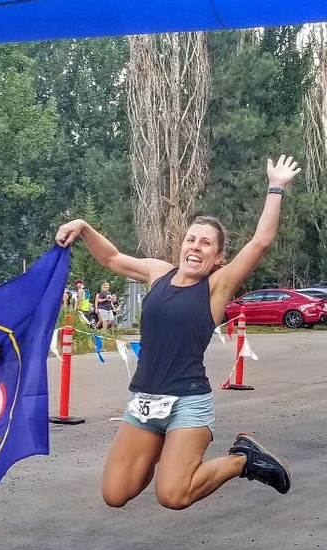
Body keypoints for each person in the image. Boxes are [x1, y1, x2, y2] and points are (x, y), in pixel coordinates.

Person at [55, 155, 300, 511]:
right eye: (191, 239)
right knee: (115, 494)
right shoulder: (158, 273)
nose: (195, 247)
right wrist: (83, 226)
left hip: (187, 402)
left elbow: (261, 241)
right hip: (143, 400)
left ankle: (242, 460)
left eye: (205, 244)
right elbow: (112, 259)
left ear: (218, 257)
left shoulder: (216, 286)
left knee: (173, 495)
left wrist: (275, 187)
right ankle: (165, 453)